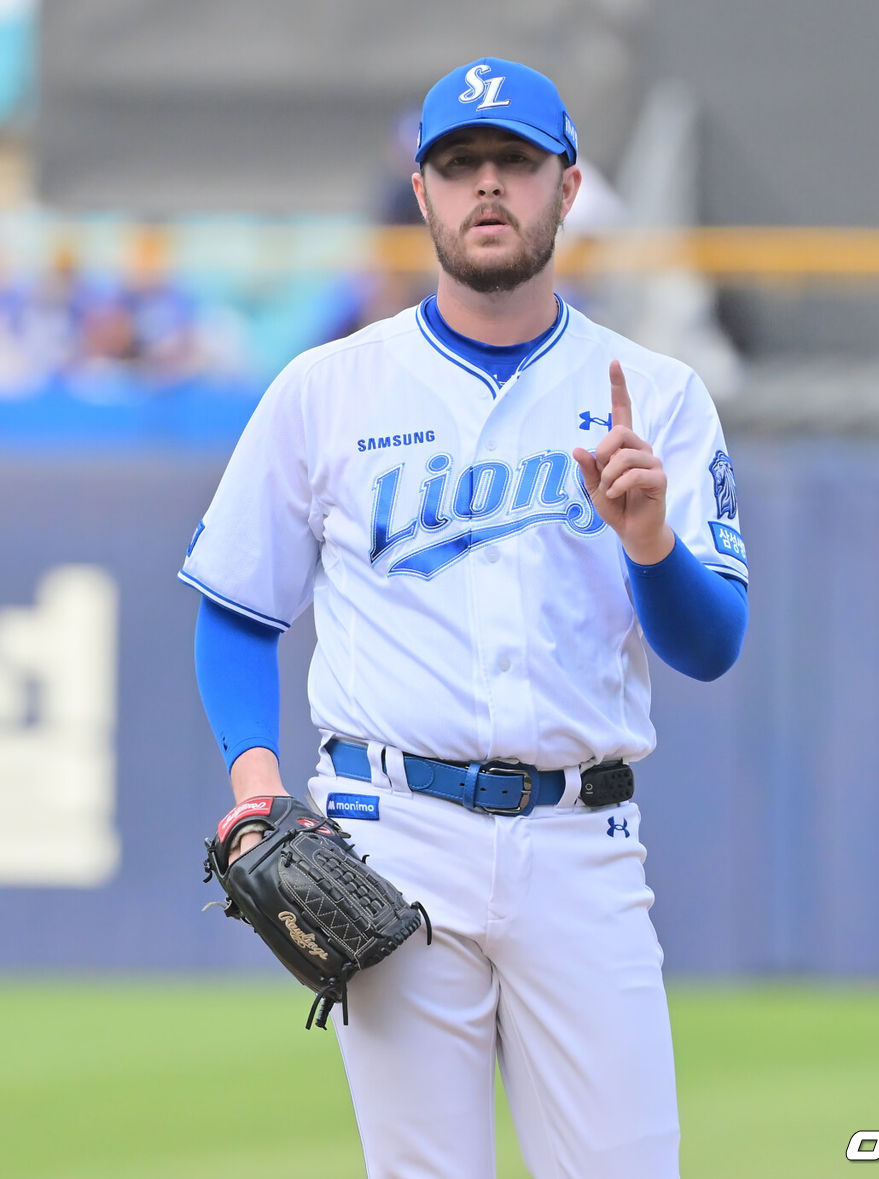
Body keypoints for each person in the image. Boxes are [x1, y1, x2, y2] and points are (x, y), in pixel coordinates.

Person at [180, 57, 749, 1179]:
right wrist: (255, 781)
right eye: (460, 165)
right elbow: (239, 609)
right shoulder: (325, 388)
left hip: (582, 843)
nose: (488, 186)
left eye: (514, 164)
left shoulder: (659, 395)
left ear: (567, 187)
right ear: (424, 191)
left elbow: (711, 645)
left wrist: (650, 542)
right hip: (392, 838)